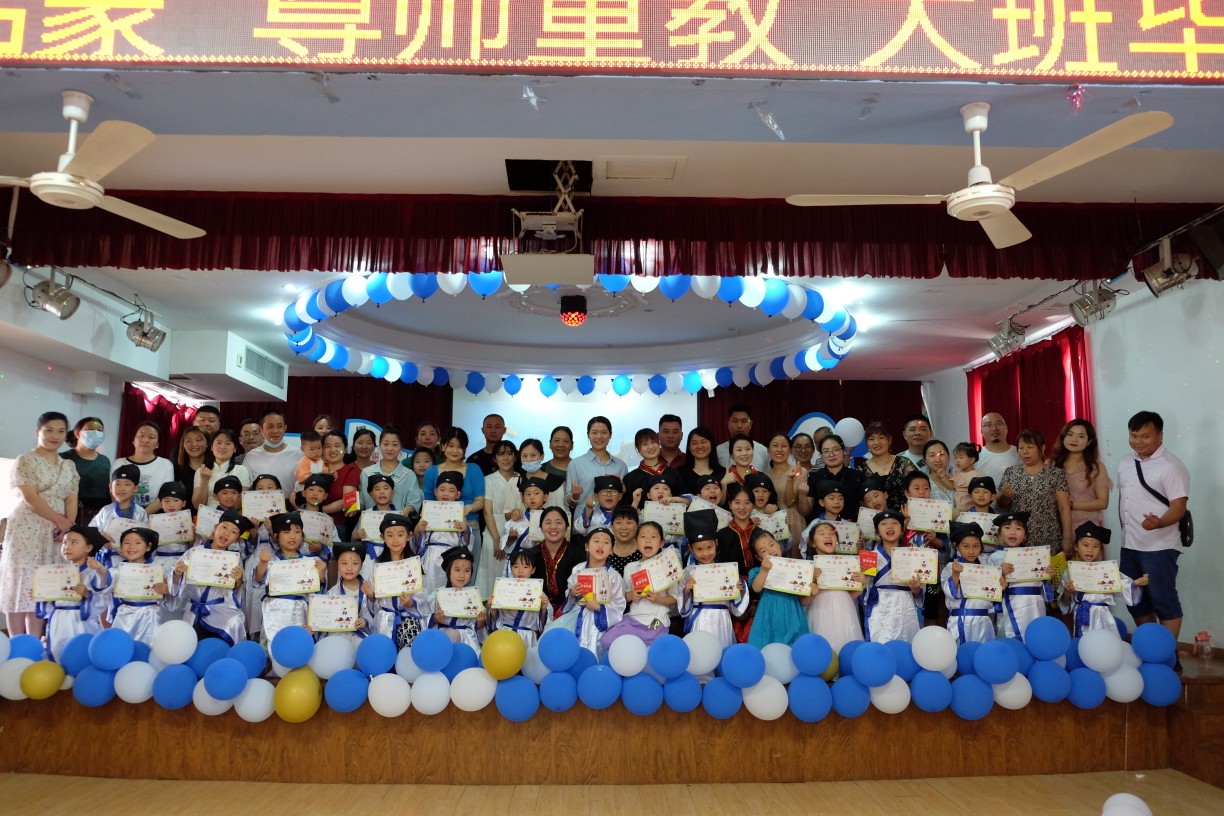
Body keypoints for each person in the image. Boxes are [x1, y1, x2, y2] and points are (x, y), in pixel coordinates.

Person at [0, 412, 80, 637]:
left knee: (44, 585)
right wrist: (59, 520)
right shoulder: (25, 459)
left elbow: (72, 497)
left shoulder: (68, 465)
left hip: (56, 531)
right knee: (20, 584)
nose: (55, 436)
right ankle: (17, 643)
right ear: (38, 432)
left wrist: (67, 526)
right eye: (49, 430)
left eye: (61, 431)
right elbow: (30, 498)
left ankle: (35, 643)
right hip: (27, 526)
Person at [1117, 410, 1189, 652]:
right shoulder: (1126, 462)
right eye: (1133, 436)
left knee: (1163, 600)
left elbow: (1178, 507)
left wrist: (1159, 523)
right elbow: (1125, 500)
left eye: (1145, 436)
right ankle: (1151, 650)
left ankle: (1168, 656)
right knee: (1134, 600)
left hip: (1160, 545)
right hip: (1129, 544)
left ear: (1160, 435)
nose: (1138, 441)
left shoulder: (1171, 466)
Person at [250, 511, 327, 652]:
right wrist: (263, 563)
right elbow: (258, 580)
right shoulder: (271, 560)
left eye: (297, 532)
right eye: (286, 532)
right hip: (275, 611)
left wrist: (321, 576)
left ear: (302, 536)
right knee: (275, 649)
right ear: (276, 536)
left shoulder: (310, 563)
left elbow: (317, 595)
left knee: (298, 649)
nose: (292, 536)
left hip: (300, 611)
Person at [170, 511, 251, 645]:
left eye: (234, 532)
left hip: (220, 610)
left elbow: (236, 593)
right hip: (194, 608)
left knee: (235, 622)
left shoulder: (234, 560)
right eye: (224, 527)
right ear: (215, 527)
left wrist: (238, 581)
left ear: (237, 539)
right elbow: (175, 585)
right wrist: (178, 572)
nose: (227, 533)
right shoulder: (194, 552)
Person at [600, 521, 682, 650]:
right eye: (643, 536)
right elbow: (624, 596)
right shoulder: (630, 567)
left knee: (652, 654)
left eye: (653, 537)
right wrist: (630, 595)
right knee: (607, 641)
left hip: (657, 621)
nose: (648, 540)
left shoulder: (668, 566)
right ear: (636, 542)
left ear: (661, 543)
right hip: (633, 619)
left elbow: (674, 597)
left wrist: (659, 599)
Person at [1059, 522, 1148, 638]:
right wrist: (1067, 592)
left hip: (1104, 616)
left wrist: (1135, 584)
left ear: (1101, 549)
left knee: (1106, 641)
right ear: (1076, 546)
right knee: (1084, 644)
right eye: (1085, 545)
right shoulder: (1070, 572)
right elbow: (1064, 603)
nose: (1090, 550)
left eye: (1095, 546)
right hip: (1082, 615)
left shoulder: (1107, 570)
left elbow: (1122, 584)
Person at [37, 524, 111, 660]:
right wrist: (42, 594)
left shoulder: (91, 573)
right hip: (59, 619)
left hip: (80, 620)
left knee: (80, 652)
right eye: (64, 543)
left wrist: (87, 593)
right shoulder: (57, 572)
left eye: (74, 542)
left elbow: (103, 597)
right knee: (58, 650)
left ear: (88, 548)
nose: (67, 547)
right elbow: (50, 603)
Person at [679, 511, 749, 650]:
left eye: (709, 547)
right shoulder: (688, 572)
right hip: (700, 619)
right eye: (699, 549)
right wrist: (686, 591)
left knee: (722, 651)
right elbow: (681, 607)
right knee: (700, 653)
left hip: (722, 619)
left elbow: (736, 609)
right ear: (691, 548)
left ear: (716, 543)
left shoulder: (727, 570)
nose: (705, 553)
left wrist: (739, 590)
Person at [997, 429, 1073, 556]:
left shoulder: (1056, 474)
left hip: (1048, 535)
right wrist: (1005, 496)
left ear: (1042, 448)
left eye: (1030, 447)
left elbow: (1064, 508)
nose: (1025, 452)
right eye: (1021, 448)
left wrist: (1067, 539)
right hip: (1017, 537)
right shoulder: (1011, 472)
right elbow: (1001, 504)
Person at [362, 513, 429, 649]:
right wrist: (370, 595)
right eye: (390, 535)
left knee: (410, 637)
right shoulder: (377, 566)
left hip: (408, 616)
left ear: (409, 536)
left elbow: (423, 595)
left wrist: (411, 603)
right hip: (385, 619)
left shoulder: (414, 565)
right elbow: (374, 599)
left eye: (400, 534)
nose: (395, 540)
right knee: (383, 651)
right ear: (382, 537)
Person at [984, 511, 1054, 640]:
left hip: (1034, 604)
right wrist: (1000, 573)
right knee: (1010, 638)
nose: (1013, 532)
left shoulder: (1036, 556)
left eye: (1018, 528)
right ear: (999, 534)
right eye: (1007, 527)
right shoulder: (995, 558)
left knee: (1036, 636)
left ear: (1025, 535)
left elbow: (1044, 589)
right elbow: (989, 588)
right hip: (1010, 603)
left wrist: (1047, 576)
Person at [422, 427, 485, 562]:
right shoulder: (431, 472)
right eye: (451, 445)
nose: (455, 450)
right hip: (439, 529)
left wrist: (468, 508)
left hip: (469, 526)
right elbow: (428, 503)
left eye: (460, 447)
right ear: (442, 446)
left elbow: (480, 501)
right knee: (437, 571)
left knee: (468, 571)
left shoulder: (473, 469)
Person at [562, 526, 626, 659]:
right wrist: (572, 593)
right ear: (587, 546)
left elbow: (619, 605)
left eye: (606, 542)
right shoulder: (578, 569)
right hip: (576, 617)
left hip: (599, 622)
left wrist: (598, 607)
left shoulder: (614, 576)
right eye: (596, 541)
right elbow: (569, 592)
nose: (601, 545)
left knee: (594, 653)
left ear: (612, 550)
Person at [860, 509, 923, 643]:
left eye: (895, 523)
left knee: (907, 646)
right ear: (877, 532)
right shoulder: (870, 557)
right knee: (880, 646)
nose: (890, 526)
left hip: (906, 607)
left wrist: (916, 590)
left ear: (902, 530)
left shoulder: (913, 556)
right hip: (880, 608)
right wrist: (863, 582)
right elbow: (865, 592)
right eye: (884, 524)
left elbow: (919, 594)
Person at [805, 521, 864, 653]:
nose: (827, 536)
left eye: (832, 534)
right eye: (821, 534)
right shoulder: (807, 568)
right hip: (820, 610)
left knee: (847, 648)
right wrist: (813, 586)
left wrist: (861, 584)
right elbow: (803, 601)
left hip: (845, 610)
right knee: (822, 649)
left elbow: (851, 595)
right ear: (812, 543)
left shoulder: (848, 564)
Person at [747, 529, 811, 648]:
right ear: (759, 557)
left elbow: (803, 597)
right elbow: (756, 588)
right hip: (769, 613)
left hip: (792, 611)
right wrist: (764, 570)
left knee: (795, 646)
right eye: (763, 551)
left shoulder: (795, 568)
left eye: (772, 545)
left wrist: (812, 588)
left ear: (779, 544)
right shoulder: (758, 571)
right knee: (769, 645)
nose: (770, 550)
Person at [107, 527, 168, 646]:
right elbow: (106, 580)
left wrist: (167, 590)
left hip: (150, 616)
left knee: (150, 647)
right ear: (121, 547)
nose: (131, 546)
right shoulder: (118, 569)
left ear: (148, 547)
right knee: (121, 646)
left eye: (138, 542)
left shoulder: (157, 569)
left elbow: (171, 594)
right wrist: (100, 569)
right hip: (124, 615)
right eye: (126, 543)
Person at [414, 471, 472, 593]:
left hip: (452, 556)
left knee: (449, 585)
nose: (446, 493)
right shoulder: (427, 511)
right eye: (442, 489)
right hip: (430, 555)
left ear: (458, 494)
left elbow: (466, 542)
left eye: (451, 490)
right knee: (429, 585)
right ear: (436, 492)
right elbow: (418, 541)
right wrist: (418, 529)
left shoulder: (460, 514)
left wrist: (465, 530)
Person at [941, 522, 998, 644]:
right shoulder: (951, 567)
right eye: (966, 546)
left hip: (983, 622)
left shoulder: (986, 570)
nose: (971, 551)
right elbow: (950, 594)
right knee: (962, 652)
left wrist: (1000, 588)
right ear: (957, 546)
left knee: (982, 652)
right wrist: (955, 575)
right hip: (961, 620)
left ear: (981, 547)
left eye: (976, 546)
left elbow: (992, 600)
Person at [1054, 419, 1112, 533]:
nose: (1074, 439)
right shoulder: (1051, 465)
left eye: (1080, 436)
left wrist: (1071, 505)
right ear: (1063, 437)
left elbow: (1102, 502)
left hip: (1085, 526)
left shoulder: (1097, 467)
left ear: (1089, 441)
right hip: (1056, 524)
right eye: (1070, 434)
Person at [481, 439, 522, 598]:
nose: (505, 458)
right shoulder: (489, 480)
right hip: (494, 530)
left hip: (517, 530)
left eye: (509, 454)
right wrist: (497, 539)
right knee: (491, 574)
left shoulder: (521, 479)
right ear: (494, 458)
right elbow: (487, 512)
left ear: (515, 457)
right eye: (500, 454)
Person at [487, 548, 551, 648]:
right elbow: (496, 619)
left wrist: (543, 609)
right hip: (505, 634)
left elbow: (544, 623)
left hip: (527, 637)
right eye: (516, 566)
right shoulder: (503, 589)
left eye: (525, 566)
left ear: (533, 570)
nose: (520, 571)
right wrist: (493, 608)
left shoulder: (538, 592)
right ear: (511, 568)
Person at [566, 416, 628, 513]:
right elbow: (570, 503)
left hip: (614, 521)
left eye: (604, 432)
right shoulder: (575, 464)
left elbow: (623, 499)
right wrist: (575, 496)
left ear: (610, 435)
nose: (599, 436)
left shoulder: (621, 466)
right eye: (594, 432)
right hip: (584, 521)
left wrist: (623, 491)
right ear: (588, 435)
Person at [111, 421, 175, 513]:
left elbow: (165, 495)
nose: (145, 440)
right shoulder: (119, 463)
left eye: (151, 437)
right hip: (122, 515)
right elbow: (114, 493)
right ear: (133, 440)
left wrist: (141, 516)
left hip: (152, 515)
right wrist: (125, 515)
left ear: (157, 444)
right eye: (141, 435)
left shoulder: (166, 465)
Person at [429, 547, 485, 649]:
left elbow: (474, 625)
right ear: (448, 571)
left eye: (467, 570)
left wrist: (480, 623)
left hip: (465, 638)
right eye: (457, 570)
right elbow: (425, 615)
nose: (462, 575)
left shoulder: (473, 596)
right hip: (441, 635)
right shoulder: (437, 594)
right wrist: (434, 618)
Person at [799, 434, 864, 521]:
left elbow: (865, 507)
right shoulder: (814, 477)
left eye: (836, 450)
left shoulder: (857, 476)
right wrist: (802, 495)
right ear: (821, 455)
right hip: (822, 527)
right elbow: (805, 512)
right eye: (826, 451)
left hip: (851, 527)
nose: (831, 454)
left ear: (843, 451)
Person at [361, 425, 425, 514]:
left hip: (399, 522)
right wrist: (353, 508)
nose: (390, 448)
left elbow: (414, 502)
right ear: (379, 445)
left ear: (401, 446)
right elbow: (362, 502)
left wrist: (408, 510)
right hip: (371, 521)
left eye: (394, 444)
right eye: (385, 444)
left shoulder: (409, 475)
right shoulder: (367, 473)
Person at [240, 410, 300, 501]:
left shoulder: (298, 453)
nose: (275, 431)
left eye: (279, 426)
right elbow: (246, 487)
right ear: (261, 430)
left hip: (292, 504)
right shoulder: (251, 456)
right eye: (270, 427)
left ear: (285, 428)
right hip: (261, 504)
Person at [856, 421, 915, 511]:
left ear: (889, 440)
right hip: (874, 518)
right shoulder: (860, 470)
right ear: (866, 443)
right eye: (871, 439)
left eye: (881, 438)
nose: (876, 442)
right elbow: (860, 502)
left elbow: (916, 490)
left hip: (905, 516)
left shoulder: (904, 463)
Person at [61, 417, 110, 525]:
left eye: (99, 430)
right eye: (90, 429)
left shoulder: (105, 461)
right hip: (71, 512)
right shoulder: (64, 458)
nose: (96, 433)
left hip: (99, 515)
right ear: (77, 433)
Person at [535, 506, 583, 615]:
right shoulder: (531, 555)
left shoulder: (579, 554)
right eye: (548, 523)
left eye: (558, 522)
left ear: (566, 527)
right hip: (537, 613)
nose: (553, 527)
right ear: (541, 527)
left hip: (570, 612)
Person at [90, 463, 149, 551]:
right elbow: (90, 532)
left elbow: (146, 537)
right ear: (110, 487)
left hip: (132, 556)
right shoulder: (105, 511)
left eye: (127, 484)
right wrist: (100, 535)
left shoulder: (140, 512)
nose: (122, 488)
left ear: (135, 488)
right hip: (107, 557)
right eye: (117, 484)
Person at [622, 428, 684, 508]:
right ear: (638, 449)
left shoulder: (673, 473)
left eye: (653, 442)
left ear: (659, 444)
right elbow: (625, 509)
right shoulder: (630, 478)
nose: (651, 447)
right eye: (645, 444)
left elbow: (686, 500)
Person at [191, 428, 251, 509]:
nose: (222, 447)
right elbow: (197, 505)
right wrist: (204, 480)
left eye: (228, 443)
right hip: (207, 515)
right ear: (212, 447)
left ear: (234, 449)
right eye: (219, 443)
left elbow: (241, 503)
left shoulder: (241, 470)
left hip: (231, 515)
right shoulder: (201, 471)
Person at [714, 403, 769, 471]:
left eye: (744, 421)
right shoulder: (718, 451)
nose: (739, 426)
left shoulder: (762, 451)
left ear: (750, 424)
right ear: (728, 424)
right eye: (735, 421)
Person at [678, 426, 726, 496]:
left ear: (711, 444)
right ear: (689, 447)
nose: (699, 446)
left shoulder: (722, 473)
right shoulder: (680, 473)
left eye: (703, 442)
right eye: (695, 443)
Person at [976, 413, 1021, 486]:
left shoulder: (1020, 453)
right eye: (988, 425)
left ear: (1006, 428)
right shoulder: (975, 457)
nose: (994, 428)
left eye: (999, 424)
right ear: (981, 431)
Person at [172, 426, 213, 502]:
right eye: (188, 441)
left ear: (207, 443)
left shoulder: (215, 467)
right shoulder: (175, 470)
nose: (193, 444)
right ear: (183, 444)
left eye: (198, 440)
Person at [923, 440, 957, 506]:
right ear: (925, 459)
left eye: (941, 454)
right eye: (932, 455)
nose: (938, 460)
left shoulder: (958, 479)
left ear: (948, 456)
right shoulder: (923, 485)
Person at [952, 442, 983, 513]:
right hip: (957, 507)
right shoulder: (957, 473)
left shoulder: (977, 475)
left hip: (972, 509)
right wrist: (943, 476)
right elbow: (951, 486)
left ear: (972, 460)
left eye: (961, 458)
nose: (957, 461)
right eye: (956, 458)